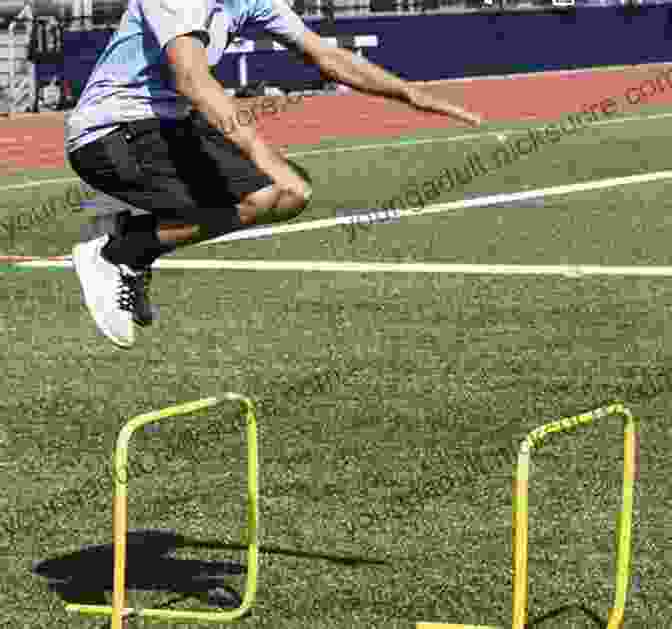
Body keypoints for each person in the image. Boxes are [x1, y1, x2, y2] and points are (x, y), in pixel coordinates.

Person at [66, 0, 482, 349]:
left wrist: (409, 94)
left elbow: (325, 54)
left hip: (167, 128)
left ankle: (130, 241)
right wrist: (265, 158)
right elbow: (192, 79)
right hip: (110, 133)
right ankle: (116, 253)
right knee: (267, 190)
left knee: (289, 195)